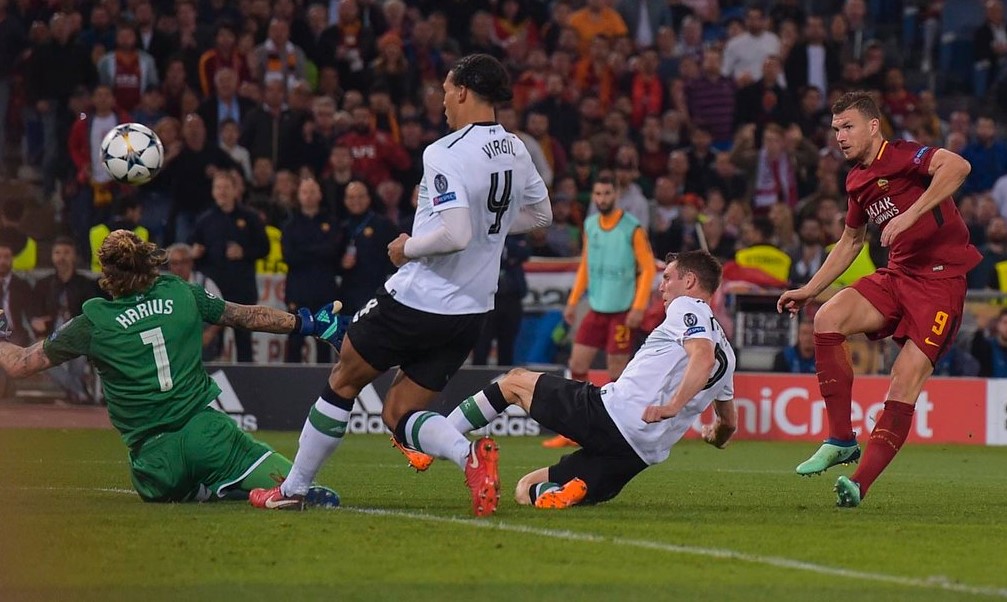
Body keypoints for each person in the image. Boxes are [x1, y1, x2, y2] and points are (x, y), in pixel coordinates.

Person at [249, 54, 553, 517]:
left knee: (344, 378)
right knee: (399, 414)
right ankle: (469, 457)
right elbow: (541, 215)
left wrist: (407, 248)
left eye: (446, 91)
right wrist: (487, 230)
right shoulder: (516, 148)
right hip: (472, 309)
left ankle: (293, 488)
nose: (443, 101)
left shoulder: (445, 151)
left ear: (464, 91)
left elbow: (455, 235)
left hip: (421, 297)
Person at [0, 230, 344, 507]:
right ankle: (251, 488)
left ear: (106, 273)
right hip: (208, 436)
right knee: (303, 489)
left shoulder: (93, 321)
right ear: (148, 260)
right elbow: (246, 316)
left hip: (155, 465)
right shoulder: (181, 292)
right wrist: (308, 323)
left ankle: (212, 491)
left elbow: (21, 364)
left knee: (176, 491)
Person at [777, 91, 982, 508]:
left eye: (848, 126)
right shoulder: (856, 180)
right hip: (899, 275)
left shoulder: (905, 155)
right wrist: (809, 289)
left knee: (904, 379)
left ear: (873, 126)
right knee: (827, 318)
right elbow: (851, 241)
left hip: (941, 283)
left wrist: (912, 214)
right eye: (836, 129)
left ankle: (859, 484)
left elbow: (959, 166)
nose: (840, 136)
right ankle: (840, 439)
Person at [441, 250, 736, 508]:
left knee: (513, 382)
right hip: (633, 458)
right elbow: (728, 423)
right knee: (525, 488)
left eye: (668, 278)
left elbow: (702, 356)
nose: (662, 287)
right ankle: (565, 492)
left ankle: (440, 438)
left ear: (690, 282)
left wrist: (673, 405)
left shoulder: (687, 306)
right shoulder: (729, 356)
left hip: (612, 415)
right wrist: (714, 435)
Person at [543, 175, 657, 449]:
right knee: (578, 365)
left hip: (622, 311)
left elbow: (648, 268)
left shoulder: (632, 228)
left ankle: (620, 430)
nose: (602, 199)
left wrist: (639, 306)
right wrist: (572, 301)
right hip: (596, 309)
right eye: (598, 194)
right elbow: (586, 265)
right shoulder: (590, 225)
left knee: (617, 374)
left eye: (607, 193)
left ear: (616, 195)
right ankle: (574, 431)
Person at [190, 171, 269, 363]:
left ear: (236, 190)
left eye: (226, 187)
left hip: (242, 288)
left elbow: (264, 248)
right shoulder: (204, 220)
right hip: (214, 291)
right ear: (213, 191)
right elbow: (193, 251)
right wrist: (196, 252)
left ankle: (247, 379)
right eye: (218, 188)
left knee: (244, 341)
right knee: (212, 342)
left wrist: (244, 252)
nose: (222, 192)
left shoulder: (250, 218)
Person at [30, 237, 103, 403]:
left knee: (79, 357)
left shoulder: (85, 284)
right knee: (40, 359)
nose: (61, 257)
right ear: (52, 256)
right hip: (49, 336)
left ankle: (75, 395)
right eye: (57, 253)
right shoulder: (43, 284)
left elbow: (92, 313)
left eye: (66, 253)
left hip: (77, 336)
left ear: (75, 256)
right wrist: (36, 325)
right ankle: (79, 392)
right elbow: (34, 313)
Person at [166, 243, 224, 361]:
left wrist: (209, 334)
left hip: (201, 345)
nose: (179, 267)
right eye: (174, 263)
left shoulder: (205, 283)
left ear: (191, 263)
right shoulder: (163, 286)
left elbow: (223, 312)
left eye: (183, 262)